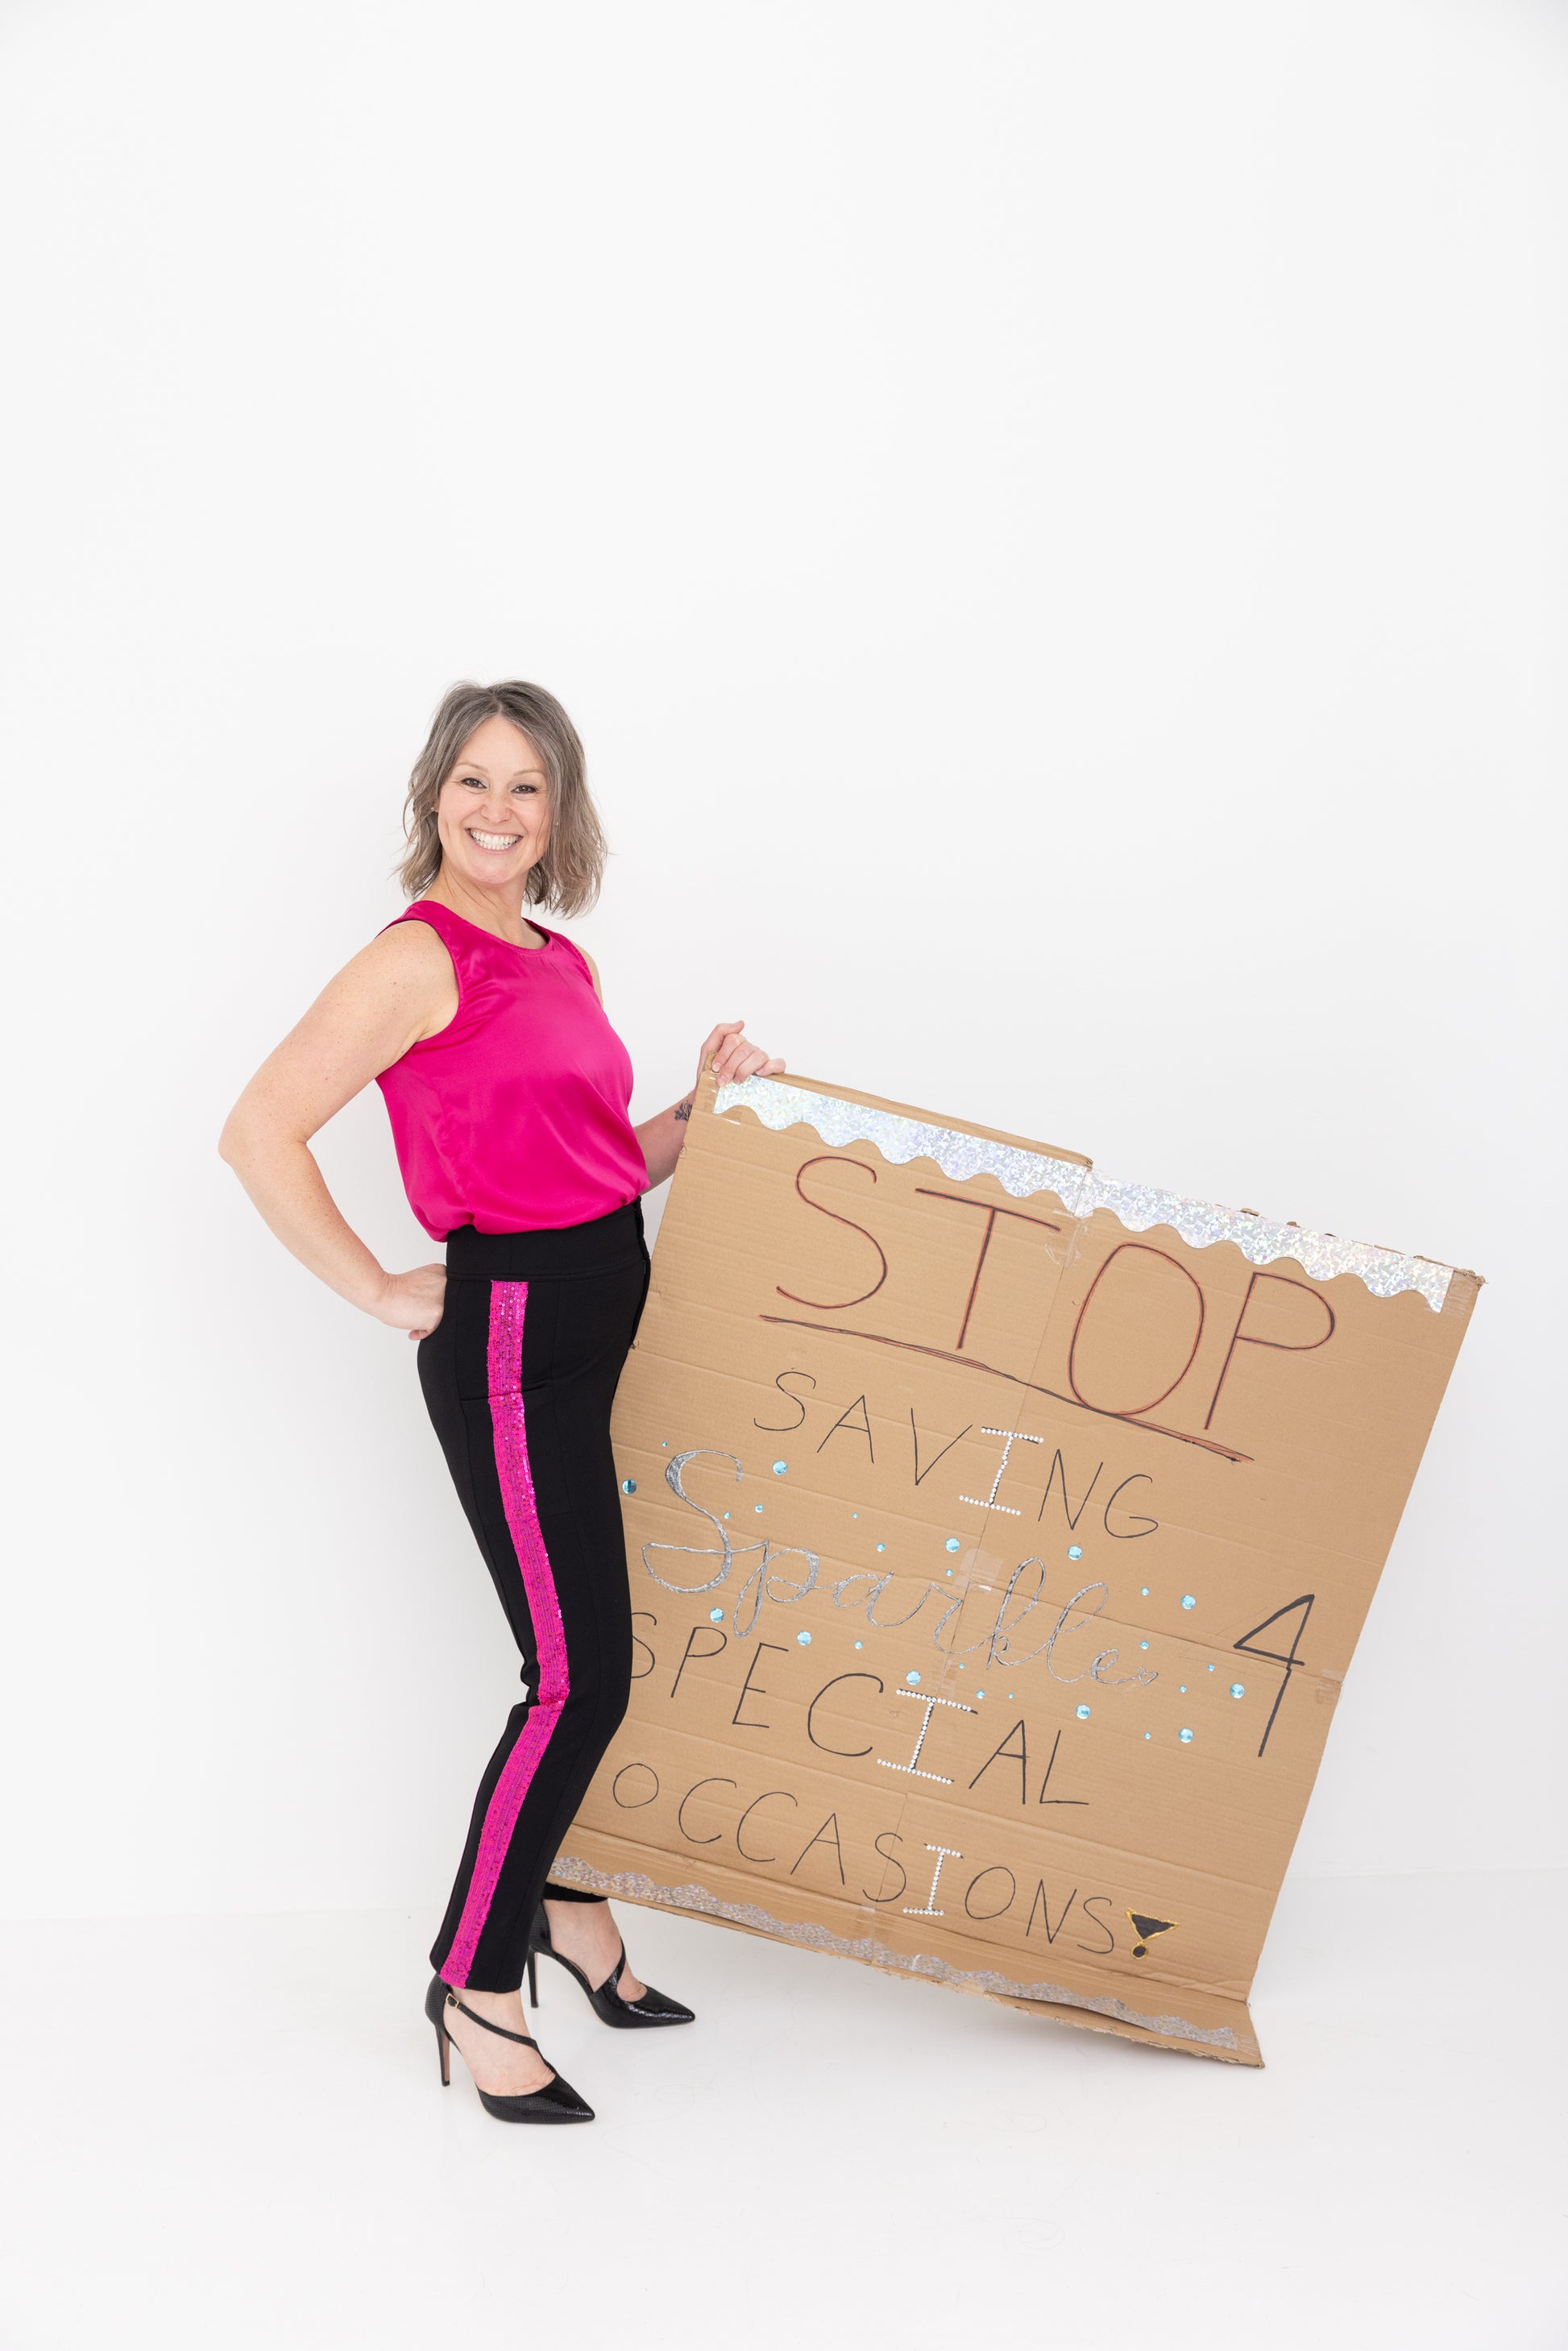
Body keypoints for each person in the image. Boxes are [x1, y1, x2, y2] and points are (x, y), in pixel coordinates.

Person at [219, 680, 783, 2124]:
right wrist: (375, 1285)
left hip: (603, 1307)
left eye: (525, 786)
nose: (495, 808)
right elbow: (258, 1128)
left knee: (596, 1646)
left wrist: (703, 1106)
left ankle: (569, 1904)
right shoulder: (416, 958)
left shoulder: (558, 958)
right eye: (472, 779)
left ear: (557, 812)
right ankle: (475, 1981)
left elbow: (602, 1165)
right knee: (577, 1675)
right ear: (433, 796)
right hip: (514, 1335)